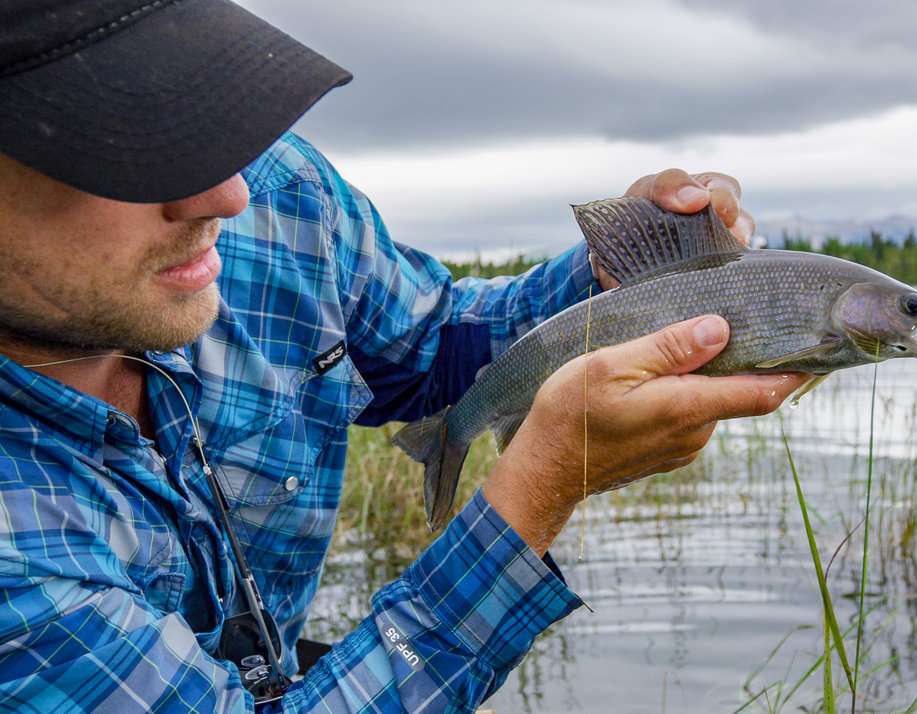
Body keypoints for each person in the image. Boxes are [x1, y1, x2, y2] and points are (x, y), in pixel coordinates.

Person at [0, 1, 807, 711]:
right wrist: (533, 496)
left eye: (207, 117)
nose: (227, 195)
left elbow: (432, 344)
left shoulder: (283, 202)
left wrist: (613, 284)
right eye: (130, 146)